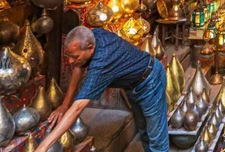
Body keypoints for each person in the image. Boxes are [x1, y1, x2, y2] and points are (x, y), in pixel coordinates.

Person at [36, 27, 168, 152]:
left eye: (75, 57)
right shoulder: (94, 34)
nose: (70, 61)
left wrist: (43, 147)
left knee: (156, 138)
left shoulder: (101, 63)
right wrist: (65, 105)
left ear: (90, 48)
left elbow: (77, 108)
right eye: (68, 56)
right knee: (144, 131)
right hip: (134, 85)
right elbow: (79, 67)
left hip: (150, 81)